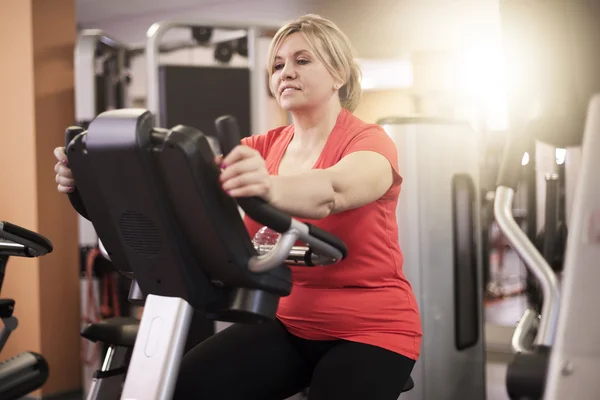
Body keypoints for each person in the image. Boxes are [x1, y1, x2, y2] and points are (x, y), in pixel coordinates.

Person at [54, 14, 422, 400]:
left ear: (339, 74)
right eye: (277, 65)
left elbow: (334, 190)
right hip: (287, 323)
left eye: (302, 60)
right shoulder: (257, 148)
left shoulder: (370, 141)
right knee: (183, 389)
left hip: (371, 330)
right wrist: (94, 186)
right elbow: (178, 201)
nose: (286, 72)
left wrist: (267, 186)